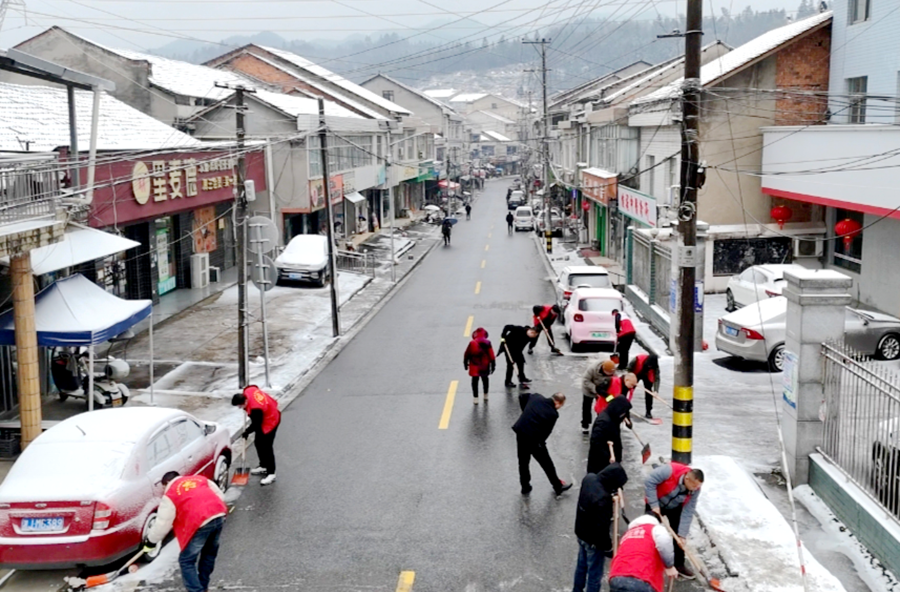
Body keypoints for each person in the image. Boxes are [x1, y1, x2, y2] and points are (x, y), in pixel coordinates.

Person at [145, 471, 228, 592]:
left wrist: (151, 541)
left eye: (163, 487)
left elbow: (163, 523)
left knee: (186, 560)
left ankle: (196, 590)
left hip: (200, 522)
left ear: (166, 483)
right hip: (218, 515)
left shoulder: (171, 494)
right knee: (208, 553)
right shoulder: (200, 479)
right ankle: (203, 586)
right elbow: (220, 497)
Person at [572, 463, 629, 592]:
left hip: (581, 532)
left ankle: (576, 589)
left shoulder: (589, 478)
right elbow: (601, 530)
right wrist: (608, 548)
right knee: (594, 574)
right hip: (593, 541)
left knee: (581, 567)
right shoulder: (603, 500)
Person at [644, 462, 705, 579]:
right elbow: (649, 481)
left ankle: (679, 565)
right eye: (694, 486)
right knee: (650, 533)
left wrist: (682, 535)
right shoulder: (670, 471)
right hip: (656, 502)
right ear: (687, 478)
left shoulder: (695, 489)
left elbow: (688, 511)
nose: (696, 489)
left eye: (698, 487)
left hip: (675, 506)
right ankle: (648, 562)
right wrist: (654, 504)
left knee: (678, 535)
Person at [512, 392, 572, 496]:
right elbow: (546, 431)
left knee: (523, 462)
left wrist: (525, 412)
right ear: (557, 402)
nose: (560, 408)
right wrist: (541, 443)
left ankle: (525, 486)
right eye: (561, 405)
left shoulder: (536, 397)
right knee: (547, 464)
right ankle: (557, 486)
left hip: (521, 432)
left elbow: (522, 397)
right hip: (534, 439)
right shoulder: (553, 414)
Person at [608, 514, 678, 592]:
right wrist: (669, 565)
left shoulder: (628, 533)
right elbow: (664, 541)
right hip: (641, 578)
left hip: (616, 577)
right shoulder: (655, 529)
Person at [231, 385, 281, 486]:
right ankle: (263, 466)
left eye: (240, 406)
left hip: (271, 421)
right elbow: (252, 386)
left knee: (266, 447)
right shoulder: (248, 391)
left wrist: (247, 432)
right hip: (266, 415)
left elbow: (257, 423)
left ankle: (271, 473)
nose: (240, 408)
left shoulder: (256, 408)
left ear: (245, 401)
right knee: (258, 443)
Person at [587, 396, 632, 474]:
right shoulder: (603, 422)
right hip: (601, 464)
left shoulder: (613, 418)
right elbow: (596, 442)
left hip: (609, 463)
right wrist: (609, 457)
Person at [581, 358, 618, 434]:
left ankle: (601, 423)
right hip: (589, 389)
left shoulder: (613, 371)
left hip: (602, 390)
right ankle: (585, 424)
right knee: (586, 407)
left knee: (602, 408)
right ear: (603, 369)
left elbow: (615, 380)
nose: (610, 374)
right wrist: (595, 389)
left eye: (611, 373)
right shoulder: (592, 369)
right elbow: (585, 380)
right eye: (608, 373)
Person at [464, 327, 496, 404]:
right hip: (485, 365)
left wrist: (465, 363)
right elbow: (491, 354)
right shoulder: (488, 343)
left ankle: (475, 398)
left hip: (474, 365)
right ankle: (485, 394)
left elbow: (467, 354)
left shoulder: (472, 343)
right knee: (485, 379)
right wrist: (493, 364)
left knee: (475, 381)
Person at [628, 354, 660, 420]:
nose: (649, 367)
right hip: (636, 373)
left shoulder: (655, 366)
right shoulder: (637, 359)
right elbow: (629, 368)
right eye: (648, 366)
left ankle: (648, 411)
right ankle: (624, 407)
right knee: (629, 390)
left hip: (647, 375)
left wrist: (656, 391)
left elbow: (657, 378)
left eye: (651, 367)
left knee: (649, 393)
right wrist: (630, 378)